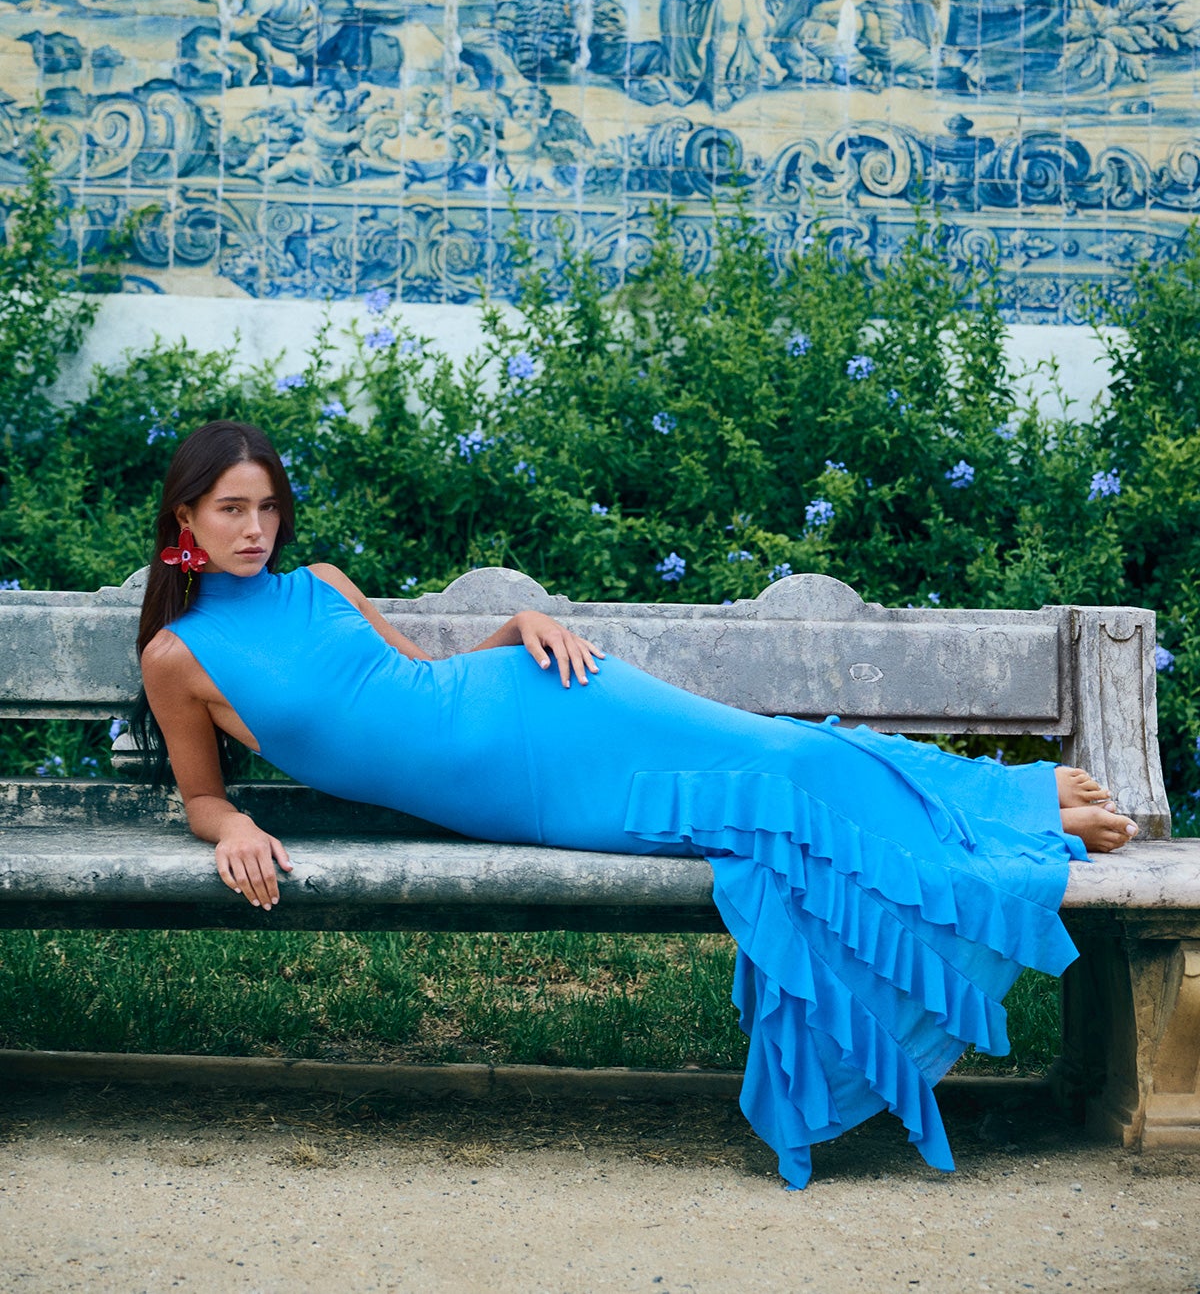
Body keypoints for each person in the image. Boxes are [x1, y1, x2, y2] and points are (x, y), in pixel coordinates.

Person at [135, 422, 1137, 1194]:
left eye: (267, 506)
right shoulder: (177, 657)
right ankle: (1006, 814)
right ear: (185, 516)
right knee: (750, 805)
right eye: (231, 509)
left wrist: (516, 624)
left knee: (775, 749)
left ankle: (1009, 801)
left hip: (547, 695)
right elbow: (204, 797)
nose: (255, 529)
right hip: (524, 793)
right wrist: (239, 826)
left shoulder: (321, 582)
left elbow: (421, 682)